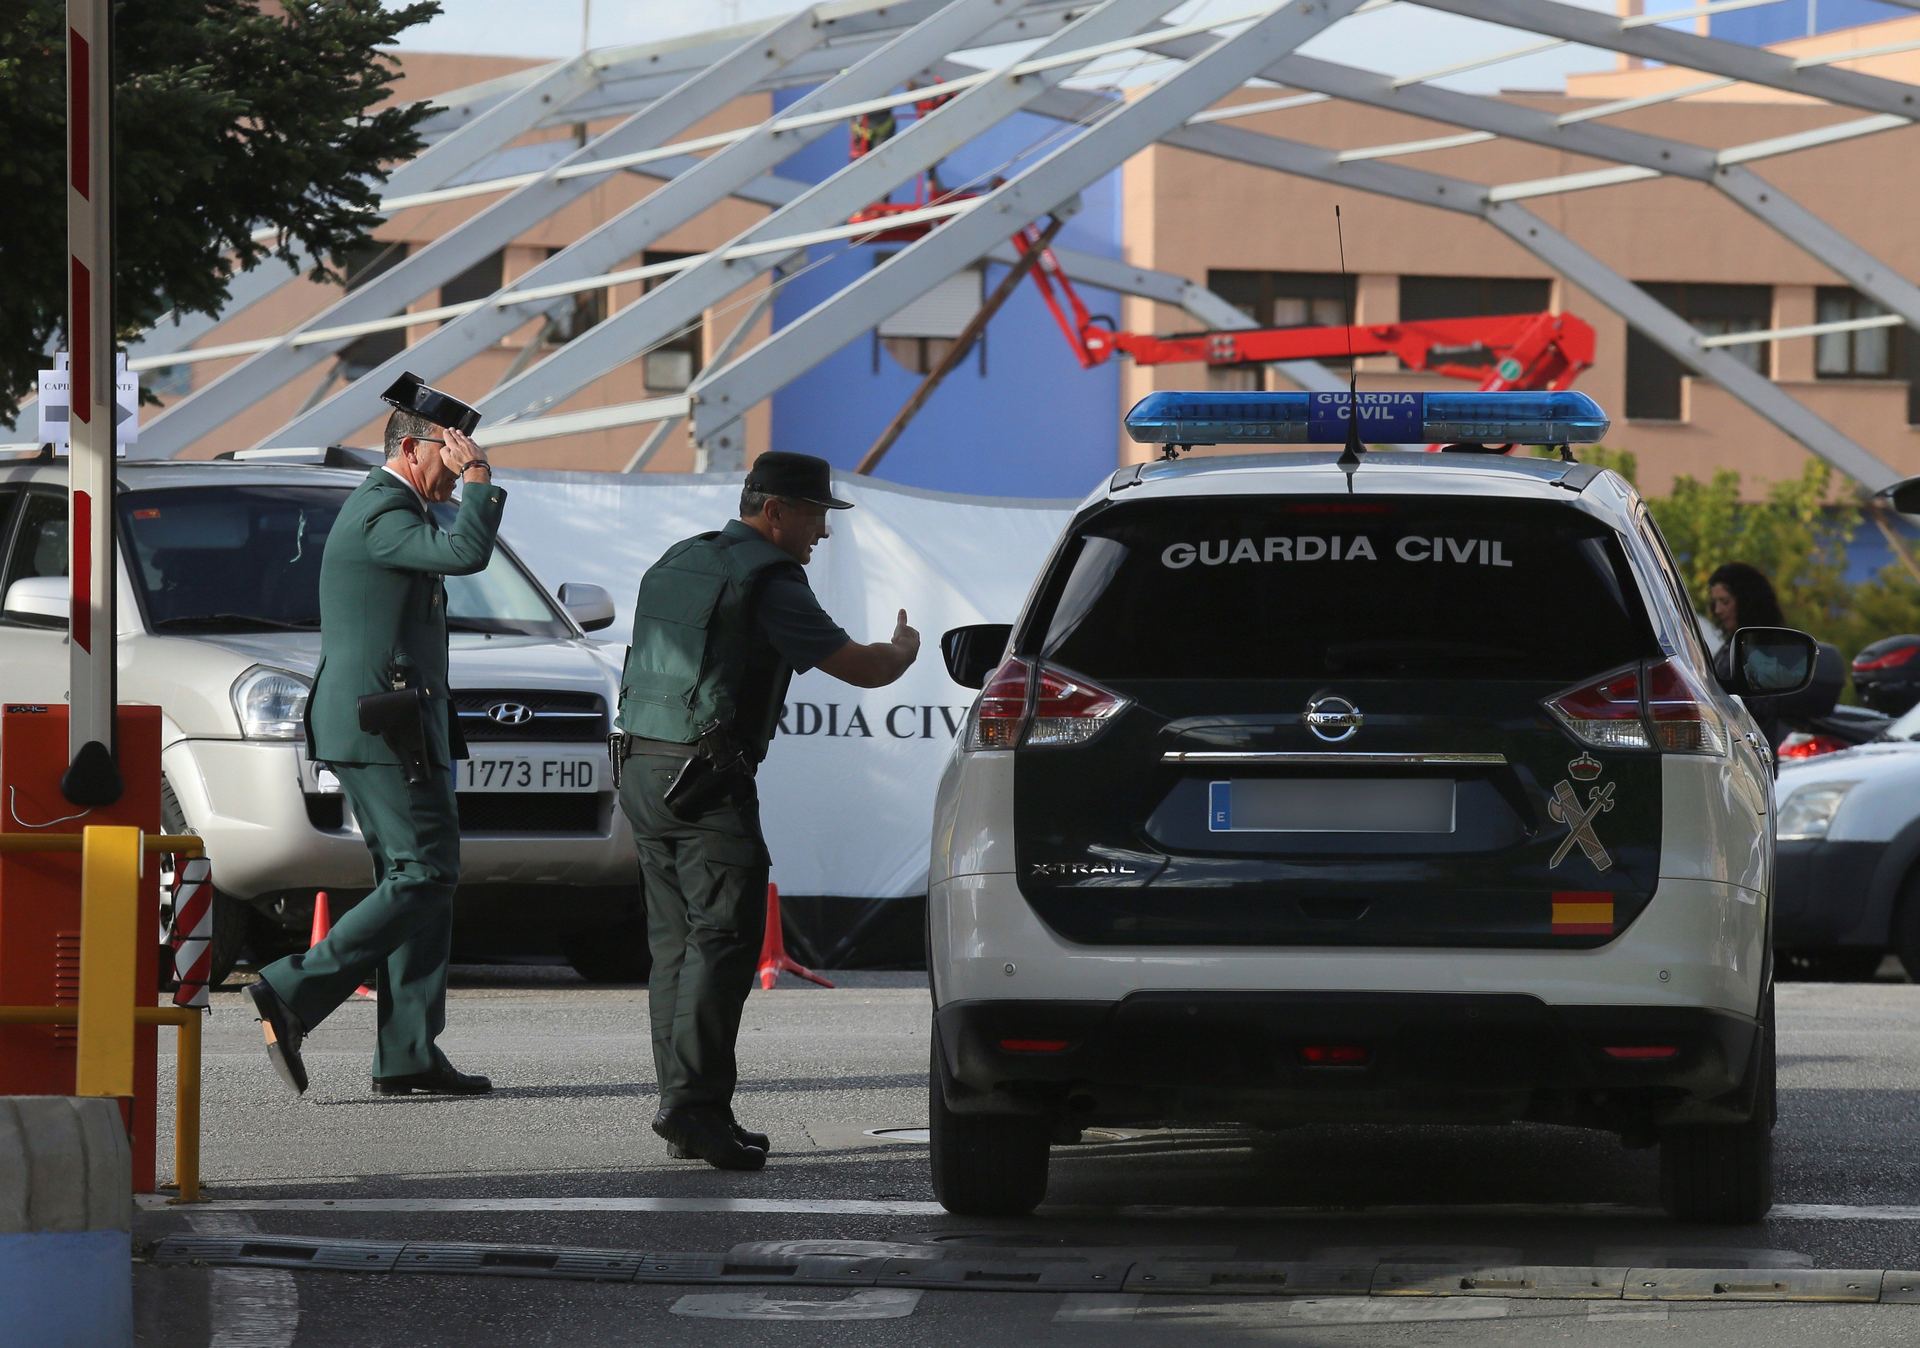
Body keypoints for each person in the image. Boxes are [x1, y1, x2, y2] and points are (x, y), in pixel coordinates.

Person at [615, 451, 919, 1170]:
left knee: (677, 945)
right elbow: (864, 667)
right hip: (705, 780)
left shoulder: (683, 558)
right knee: (723, 941)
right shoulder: (770, 578)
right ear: (774, 511)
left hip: (641, 767)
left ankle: (684, 1107)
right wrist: (904, 649)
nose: (823, 532)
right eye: (815, 516)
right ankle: (695, 1109)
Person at [245, 374, 506, 1098]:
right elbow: (467, 555)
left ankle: (409, 1052)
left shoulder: (396, 509)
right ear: (419, 449)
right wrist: (480, 483)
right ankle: (292, 988)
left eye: (467, 459)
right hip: (382, 724)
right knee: (426, 874)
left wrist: (463, 484)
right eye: (453, 456)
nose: (460, 469)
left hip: (397, 720)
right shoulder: (381, 511)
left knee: (418, 881)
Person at [1706, 560, 1789, 752]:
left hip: (1751, 759)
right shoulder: (1733, 645)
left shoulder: (1763, 652)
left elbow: (1761, 707)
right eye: (1715, 602)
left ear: (1746, 601)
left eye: (1725, 601)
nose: (1718, 610)